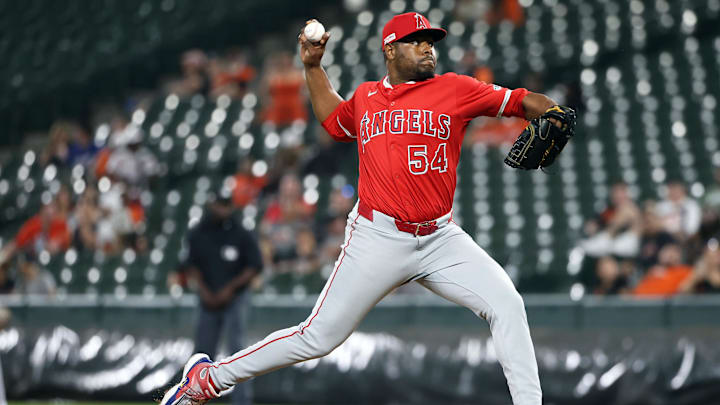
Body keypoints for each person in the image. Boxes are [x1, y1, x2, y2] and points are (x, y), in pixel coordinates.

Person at [162, 12, 568, 405]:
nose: (428, 49)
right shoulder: (367, 96)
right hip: (378, 236)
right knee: (318, 337)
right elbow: (334, 120)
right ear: (390, 50)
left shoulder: (456, 89)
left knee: (508, 304)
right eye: (417, 42)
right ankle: (208, 379)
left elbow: (520, 101)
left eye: (431, 43)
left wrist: (550, 110)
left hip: (440, 237)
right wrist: (313, 68)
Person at [179, 190, 262, 405]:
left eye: (226, 204)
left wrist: (230, 289)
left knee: (238, 352)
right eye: (219, 204)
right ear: (211, 204)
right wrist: (204, 290)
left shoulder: (240, 232)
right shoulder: (199, 231)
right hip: (207, 299)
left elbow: (255, 265)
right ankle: (193, 401)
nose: (223, 208)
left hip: (235, 298)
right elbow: (189, 265)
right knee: (201, 354)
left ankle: (241, 402)